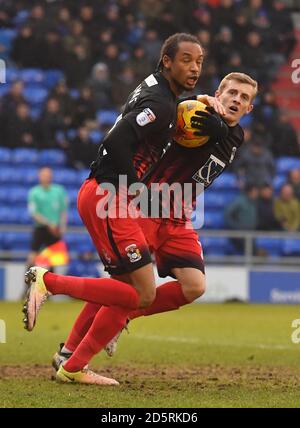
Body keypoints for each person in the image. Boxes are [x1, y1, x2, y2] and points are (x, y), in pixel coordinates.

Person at [24, 33, 221, 386]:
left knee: (126, 285)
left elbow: (148, 118)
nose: (194, 67)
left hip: (99, 193)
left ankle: (70, 358)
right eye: (186, 60)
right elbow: (115, 141)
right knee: (142, 294)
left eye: (199, 61)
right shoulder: (161, 104)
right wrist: (134, 191)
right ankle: (48, 282)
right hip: (108, 197)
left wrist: (199, 100)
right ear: (167, 61)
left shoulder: (156, 90)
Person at [52, 73, 257, 361]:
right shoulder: (197, 113)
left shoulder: (237, 136)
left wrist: (220, 128)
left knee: (194, 286)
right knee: (124, 284)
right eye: (232, 92)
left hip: (178, 217)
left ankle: (124, 318)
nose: (236, 99)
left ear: (249, 109)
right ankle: (70, 350)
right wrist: (197, 100)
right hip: (148, 206)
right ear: (218, 93)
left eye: (244, 97)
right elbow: (174, 115)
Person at [26, 167, 68, 273]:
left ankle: (52, 287)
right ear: (39, 176)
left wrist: (62, 228)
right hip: (41, 228)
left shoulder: (59, 191)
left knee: (54, 260)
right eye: (44, 175)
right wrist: (49, 224)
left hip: (55, 230)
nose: (46, 177)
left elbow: (63, 211)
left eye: (48, 174)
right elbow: (34, 213)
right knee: (32, 257)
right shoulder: (34, 192)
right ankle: (27, 286)